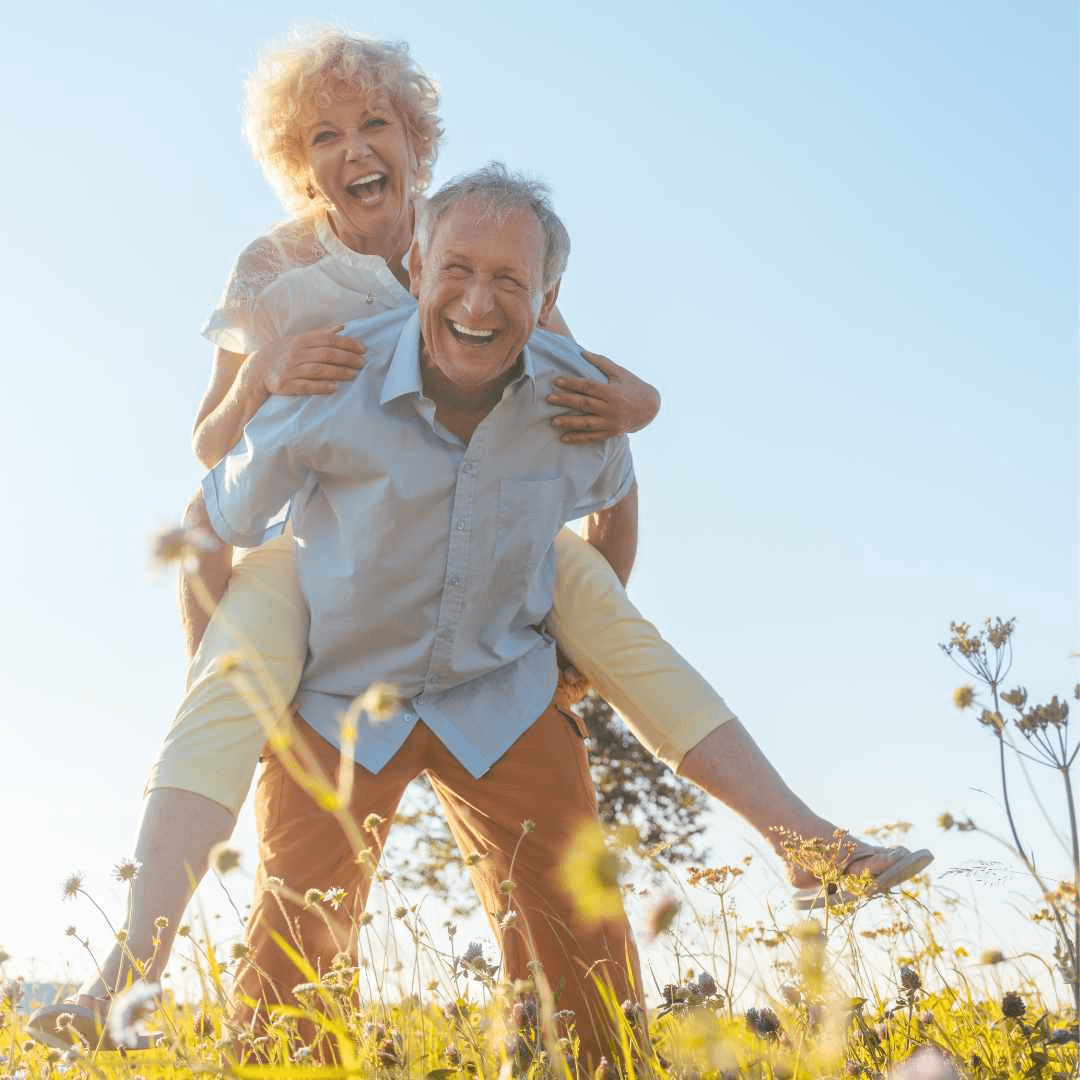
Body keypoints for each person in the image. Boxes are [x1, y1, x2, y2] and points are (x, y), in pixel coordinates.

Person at [29, 28, 931, 1054]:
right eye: (326, 133)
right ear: (297, 162)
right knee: (283, 939)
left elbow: (583, 389)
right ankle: (126, 974)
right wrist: (262, 373)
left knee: (605, 647)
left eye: (377, 123)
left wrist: (634, 421)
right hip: (336, 601)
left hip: (490, 637)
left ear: (419, 144)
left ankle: (797, 835)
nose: (355, 146)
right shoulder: (287, 282)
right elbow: (209, 470)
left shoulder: (477, 251)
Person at [201, 167, 642, 1064]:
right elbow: (217, 514)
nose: (479, 302)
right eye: (458, 270)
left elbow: (618, 492)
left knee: (586, 969)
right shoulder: (338, 371)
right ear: (416, 268)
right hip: (340, 697)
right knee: (291, 975)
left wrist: (577, 665)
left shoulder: (572, 397)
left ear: (547, 297)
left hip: (500, 690)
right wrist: (230, 697)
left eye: (511, 281)